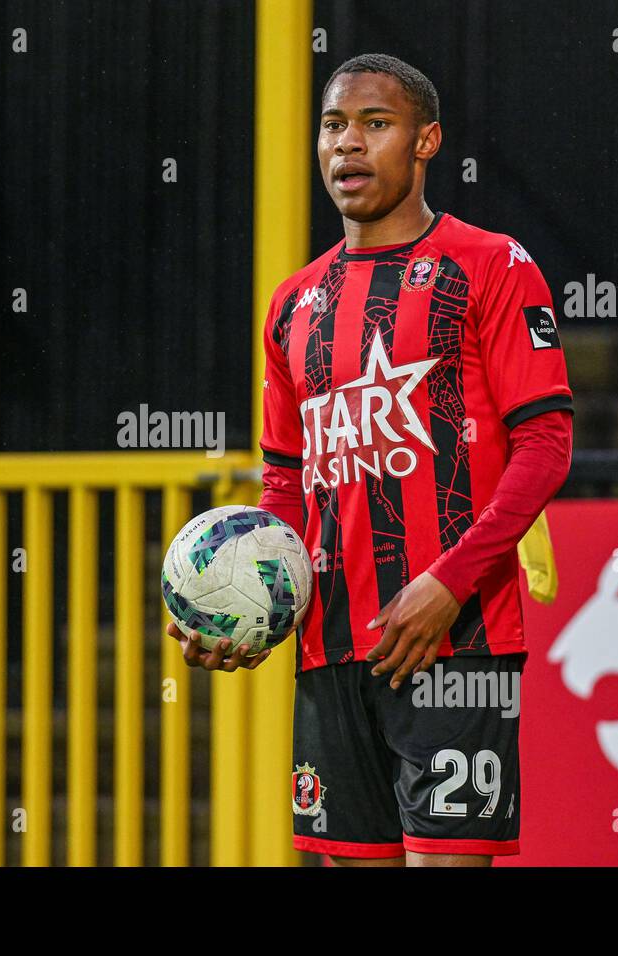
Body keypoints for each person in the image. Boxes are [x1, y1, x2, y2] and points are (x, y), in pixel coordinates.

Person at [167, 54, 573, 867]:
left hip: (458, 646)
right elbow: (284, 478)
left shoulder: (492, 265)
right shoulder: (293, 304)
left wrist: (450, 583)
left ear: (426, 142)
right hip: (331, 650)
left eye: (375, 124)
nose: (348, 145)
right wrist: (255, 604)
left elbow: (546, 445)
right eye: (333, 126)